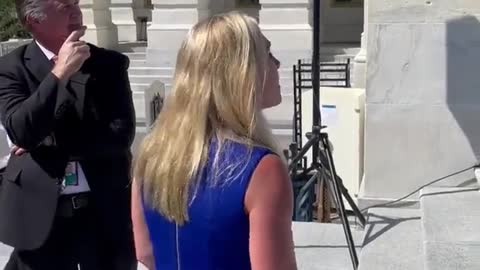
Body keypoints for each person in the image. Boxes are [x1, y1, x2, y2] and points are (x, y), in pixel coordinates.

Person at [132, 12, 297, 270]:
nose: (277, 64)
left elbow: (146, 253)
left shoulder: (151, 156)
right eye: (268, 54)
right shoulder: (262, 169)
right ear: (241, 73)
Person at [0, 0, 137, 268]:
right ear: (33, 21)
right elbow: (21, 130)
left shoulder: (109, 64)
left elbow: (120, 135)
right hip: (40, 216)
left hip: (102, 211)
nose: (76, 12)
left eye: (75, 3)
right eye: (64, 6)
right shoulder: (11, 68)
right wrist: (60, 73)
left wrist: (43, 141)